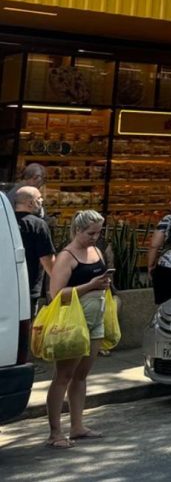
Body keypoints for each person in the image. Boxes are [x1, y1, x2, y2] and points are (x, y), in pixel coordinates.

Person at [46, 210, 111, 448]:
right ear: (77, 230)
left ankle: (77, 425)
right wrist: (90, 285)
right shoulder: (67, 256)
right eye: (90, 233)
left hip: (96, 319)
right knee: (63, 376)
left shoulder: (96, 251)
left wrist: (103, 284)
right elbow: (56, 294)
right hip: (74, 322)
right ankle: (55, 432)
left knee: (82, 375)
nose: (95, 237)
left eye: (99, 232)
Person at [14, 186, 54, 315]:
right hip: (28, 289)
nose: (42, 201)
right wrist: (59, 279)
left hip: (4, 286)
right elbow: (46, 258)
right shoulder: (38, 225)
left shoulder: (6, 222)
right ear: (30, 203)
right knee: (24, 330)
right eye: (39, 198)